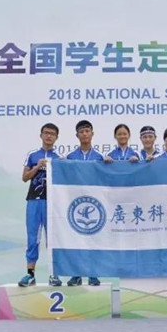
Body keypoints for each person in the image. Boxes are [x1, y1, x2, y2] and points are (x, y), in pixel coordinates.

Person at [18, 123, 63, 287]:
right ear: (41, 135)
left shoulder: (60, 158)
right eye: (46, 133)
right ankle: (30, 274)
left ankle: (54, 274)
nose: (49, 136)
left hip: (53, 203)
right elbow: (25, 177)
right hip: (34, 201)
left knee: (53, 239)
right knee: (33, 238)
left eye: (52, 134)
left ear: (56, 137)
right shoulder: (32, 155)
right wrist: (37, 167)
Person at [66, 120, 105, 287]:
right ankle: (76, 274)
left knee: (93, 238)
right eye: (81, 132)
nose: (84, 134)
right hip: (75, 203)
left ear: (92, 134)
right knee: (75, 238)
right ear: (77, 135)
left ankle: (93, 274)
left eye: (87, 131)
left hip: (94, 203)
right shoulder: (70, 157)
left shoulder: (99, 157)